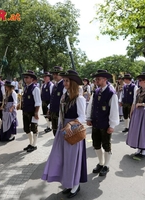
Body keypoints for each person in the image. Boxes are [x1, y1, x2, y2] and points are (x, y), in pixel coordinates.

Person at [42, 70, 87, 198]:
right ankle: (68, 183)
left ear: (72, 83)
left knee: (73, 159)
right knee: (64, 158)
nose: (65, 82)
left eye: (67, 81)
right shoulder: (64, 96)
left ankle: (75, 185)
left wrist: (70, 125)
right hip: (63, 130)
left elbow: (82, 117)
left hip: (74, 131)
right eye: (65, 80)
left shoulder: (80, 98)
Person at [87, 69, 119, 176]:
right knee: (96, 145)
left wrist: (112, 125)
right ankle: (100, 163)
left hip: (105, 124)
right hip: (96, 123)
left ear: (105, 79)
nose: (96, 80)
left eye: (98, 79)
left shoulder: (111, 93)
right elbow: (91, 105)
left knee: (106, 145)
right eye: (96, 79)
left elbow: (114, 110)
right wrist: (89, 118)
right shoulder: (96, 91)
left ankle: (107, 165)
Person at [126, 72, 145, 157]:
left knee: (144, 131)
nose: (139, 82)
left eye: (141, 80)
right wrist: (131, 112)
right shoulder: (138, 91)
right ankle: (139, 147)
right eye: (139, 80)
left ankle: (144, 148)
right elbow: (134, 102)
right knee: (137, 130)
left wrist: (142, 104)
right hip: (137, 113)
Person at [22, 70, 42, 153]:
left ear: (32, 79)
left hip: (32, 112)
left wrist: (36, 112)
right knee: (26, 129)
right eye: (25, 77)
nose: (25, 79)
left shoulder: (35, 88)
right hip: (25, 111)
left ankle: (34, 145)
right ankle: (30, 143)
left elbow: (38, 102)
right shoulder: (26, 88)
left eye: (27, 77)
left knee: (34, 128)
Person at [49, 66, 65, 136]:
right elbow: (52, 98)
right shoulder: (55, 85)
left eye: (57, 74)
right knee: (55, 131)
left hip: (60, 113)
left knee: (60, 133)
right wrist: (49, 108)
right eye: (53, 74)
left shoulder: (64, 85)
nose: (55, 76)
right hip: (53, 112)